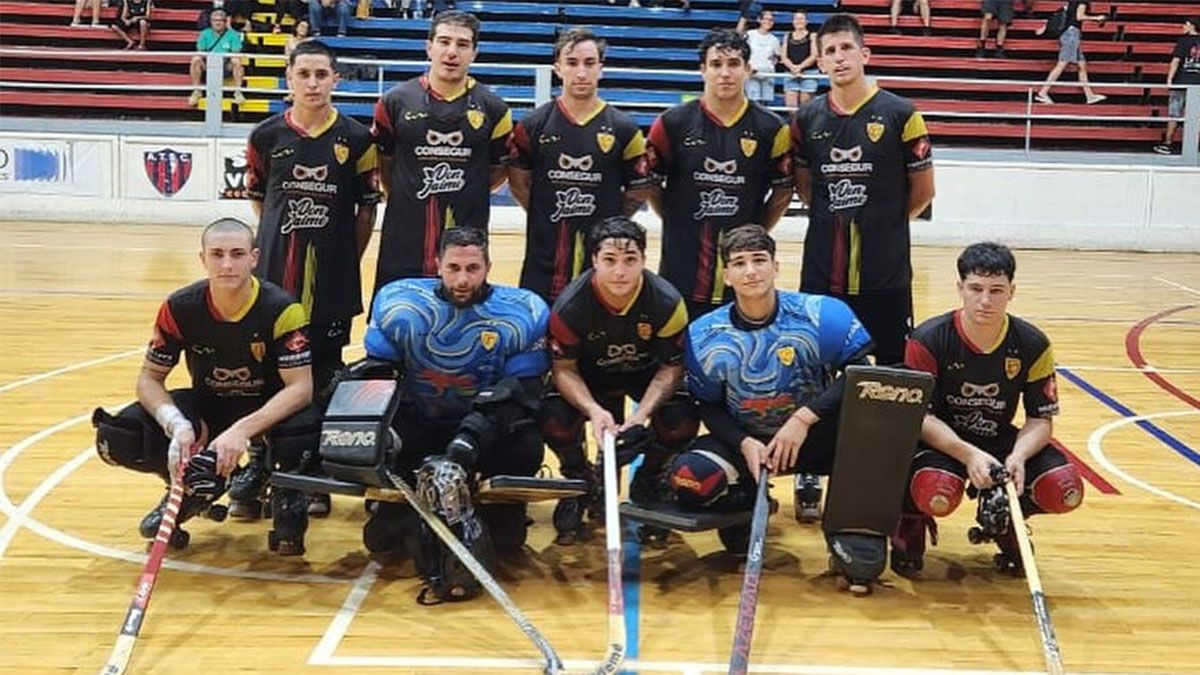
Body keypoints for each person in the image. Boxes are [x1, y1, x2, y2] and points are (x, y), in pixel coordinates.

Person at [91, 218, 318, 555]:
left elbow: (300, 388)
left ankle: (285, 490)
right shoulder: (179, 307)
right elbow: (149, 379)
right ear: (203, 259)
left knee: (304, 429)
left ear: (254, 258)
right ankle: (193, 484)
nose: (227, 265)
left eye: (237, 254)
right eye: (217, 254)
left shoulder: (282, 308)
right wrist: (175, 424)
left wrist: (241, 431)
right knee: (120, 435)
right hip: (212, 405)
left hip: (270, 409)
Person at [361, 227, 550, 585]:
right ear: (437, 265)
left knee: (523, 462)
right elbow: (378, 376)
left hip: (484, 429)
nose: (463, 279)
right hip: (420, 422)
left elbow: (521, 391)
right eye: (454, 268)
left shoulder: (522, 312)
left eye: (473, 268)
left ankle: (496, 504)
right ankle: (404, 502)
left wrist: (470, 438)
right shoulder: (400, 304)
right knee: (380, 540)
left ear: (488, 266)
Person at [669, 224, 872, 546]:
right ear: (727, 276)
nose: (751, 271)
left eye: (759, 260)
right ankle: (747, 499)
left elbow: (859, 372)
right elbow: (708, 404)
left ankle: (850, 532)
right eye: (739, 263)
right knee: (689, 479)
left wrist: (804, 419)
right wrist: (743, 442)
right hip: (750, 440)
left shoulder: (819, 314)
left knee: (875, 448)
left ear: (775, 267)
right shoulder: (704, 335)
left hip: (813, 436)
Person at [245, 39, 381, 518]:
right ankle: (260, 462)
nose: (313, 83)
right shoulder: (265, 136)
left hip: (332, 281)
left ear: (335, 79)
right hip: (274, 279)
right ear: (289, 78)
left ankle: (315, 470)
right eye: (303, 74)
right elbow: (260, 200)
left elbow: (367, 210)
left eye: (322, 74)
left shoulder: (357, 139)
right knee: (268, 372)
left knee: (324, 375)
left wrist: (345, 258)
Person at [891, 242, 1084, 576]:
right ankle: (910, 520)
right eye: (976, 288)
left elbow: (1040, 419)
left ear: (1012, 291)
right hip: (940, 442)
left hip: (998, 439)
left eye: (996, 290)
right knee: (936, 489)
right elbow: (920, 417)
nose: (985, 300)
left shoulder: (1033, 343)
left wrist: (1019, 456)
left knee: (1064, 489)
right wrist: (968, 455)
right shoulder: (928, 339)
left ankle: (1004, 516)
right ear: (960, 288)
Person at [541, 216, 698, 543]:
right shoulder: (569, 307)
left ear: (644, 260)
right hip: (589, 374)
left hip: (646, 372)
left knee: (681, 421)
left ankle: (650, 480)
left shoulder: (668, 303)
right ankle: (580, 483)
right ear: (594, 260)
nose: (620, 271)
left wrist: (641, 416)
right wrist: (593, 409)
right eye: (609, 260)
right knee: (554, 420)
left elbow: (671, 368)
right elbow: (564, 368)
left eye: (630, 260)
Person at [791, 13, 935, 367]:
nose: (839, 57)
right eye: (830, 51)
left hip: (886, 275)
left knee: (890, 372)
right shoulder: (806, 119)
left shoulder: (901, 114)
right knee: (820, 371)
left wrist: (886, 222)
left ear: (865, 54)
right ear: (820, 62)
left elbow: (924, 190)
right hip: (822, 274)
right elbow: (806, 189)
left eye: (847, 48)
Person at [645, 28, 793, 320]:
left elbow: (782, 192)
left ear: (748, 69)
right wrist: (676, 219)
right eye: (716, 64)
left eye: (734, 64)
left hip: (743, 276)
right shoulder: (672, 123)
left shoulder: (772, 128)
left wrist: (753, 232)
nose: (725, 73)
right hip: (680, 269)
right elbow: (651, 183)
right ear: (702, 70)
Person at [508, 28, 654, 304]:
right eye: (572, 63)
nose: (581, 73)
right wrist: (543, 212)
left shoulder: (623, 128)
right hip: (542, 260)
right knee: (539, 325)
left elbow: (640, 188)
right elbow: (518, 183)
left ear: (601, 68)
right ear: (558, 68)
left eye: (589, 63)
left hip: (602, 262)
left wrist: (611, 219)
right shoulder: (533, 125)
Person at [370, 10, 512, 291]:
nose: (452, 52)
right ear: (429, 47)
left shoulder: (494, 109)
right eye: (444, 42)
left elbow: (498, 171)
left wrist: (465, 191)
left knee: (461, 315)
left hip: (466, 249)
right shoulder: (394, 102)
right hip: (403, 241)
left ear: (474, 53)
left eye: (462, 44)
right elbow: (385, 164)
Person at [1034, 1, 1108, 105]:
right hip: (1071, 35)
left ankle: (1090, 96)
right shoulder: (1082, 2)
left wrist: (1045, 28)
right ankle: (1043, 93)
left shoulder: (1071, 2)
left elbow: (1060, 15)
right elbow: (1079, 17)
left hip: (1067, 34)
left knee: (1081, 65)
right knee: (1062, 64)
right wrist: (1097, 18)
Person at [1154, 17, 1200, 156]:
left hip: (1181, 82)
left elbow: (1175, 61)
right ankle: (1194, 146)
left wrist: (1169, 79)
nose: (1183, 27)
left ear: (1191, 26)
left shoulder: (1183, 41)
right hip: (1198, 84)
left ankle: (1167, 144)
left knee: (1174, 113)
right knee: (1197, 116)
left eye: (1185, 24)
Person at [188, 9, 246, 107]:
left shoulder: (233, 34)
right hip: (208, 63)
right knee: (196, 59)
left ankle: (238, 92)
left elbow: (235, 52)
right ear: (211, 22)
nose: (217, 23)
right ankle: (197, 91)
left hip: (226, 64)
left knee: (236, 60)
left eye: (220, 20)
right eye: (215, 20)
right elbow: (200, 51)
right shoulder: (205, 33)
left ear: (225, 22)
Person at [780, 11, 819, 109]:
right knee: (791, 108)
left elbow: (814, 55)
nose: (799, 21)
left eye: (801, 19)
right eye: (796, 19)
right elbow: (784, 56)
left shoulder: (812, 35)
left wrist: (799, 68)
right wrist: (793, 68)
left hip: (809, 73)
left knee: (805, 108)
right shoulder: (787, 36)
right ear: (793, 21)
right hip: (790, 73)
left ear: (806, 21)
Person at [742, 10, 781, 105]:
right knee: (754, 102)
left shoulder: (774, 39)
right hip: (753, 74)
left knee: (765, 104)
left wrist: (774, 62)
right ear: (759, 20)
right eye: (766, 19)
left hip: (768, 74)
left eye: (771, 20)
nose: (768, 22)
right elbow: (741, 50)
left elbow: (778, 56)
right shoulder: (750, 34)